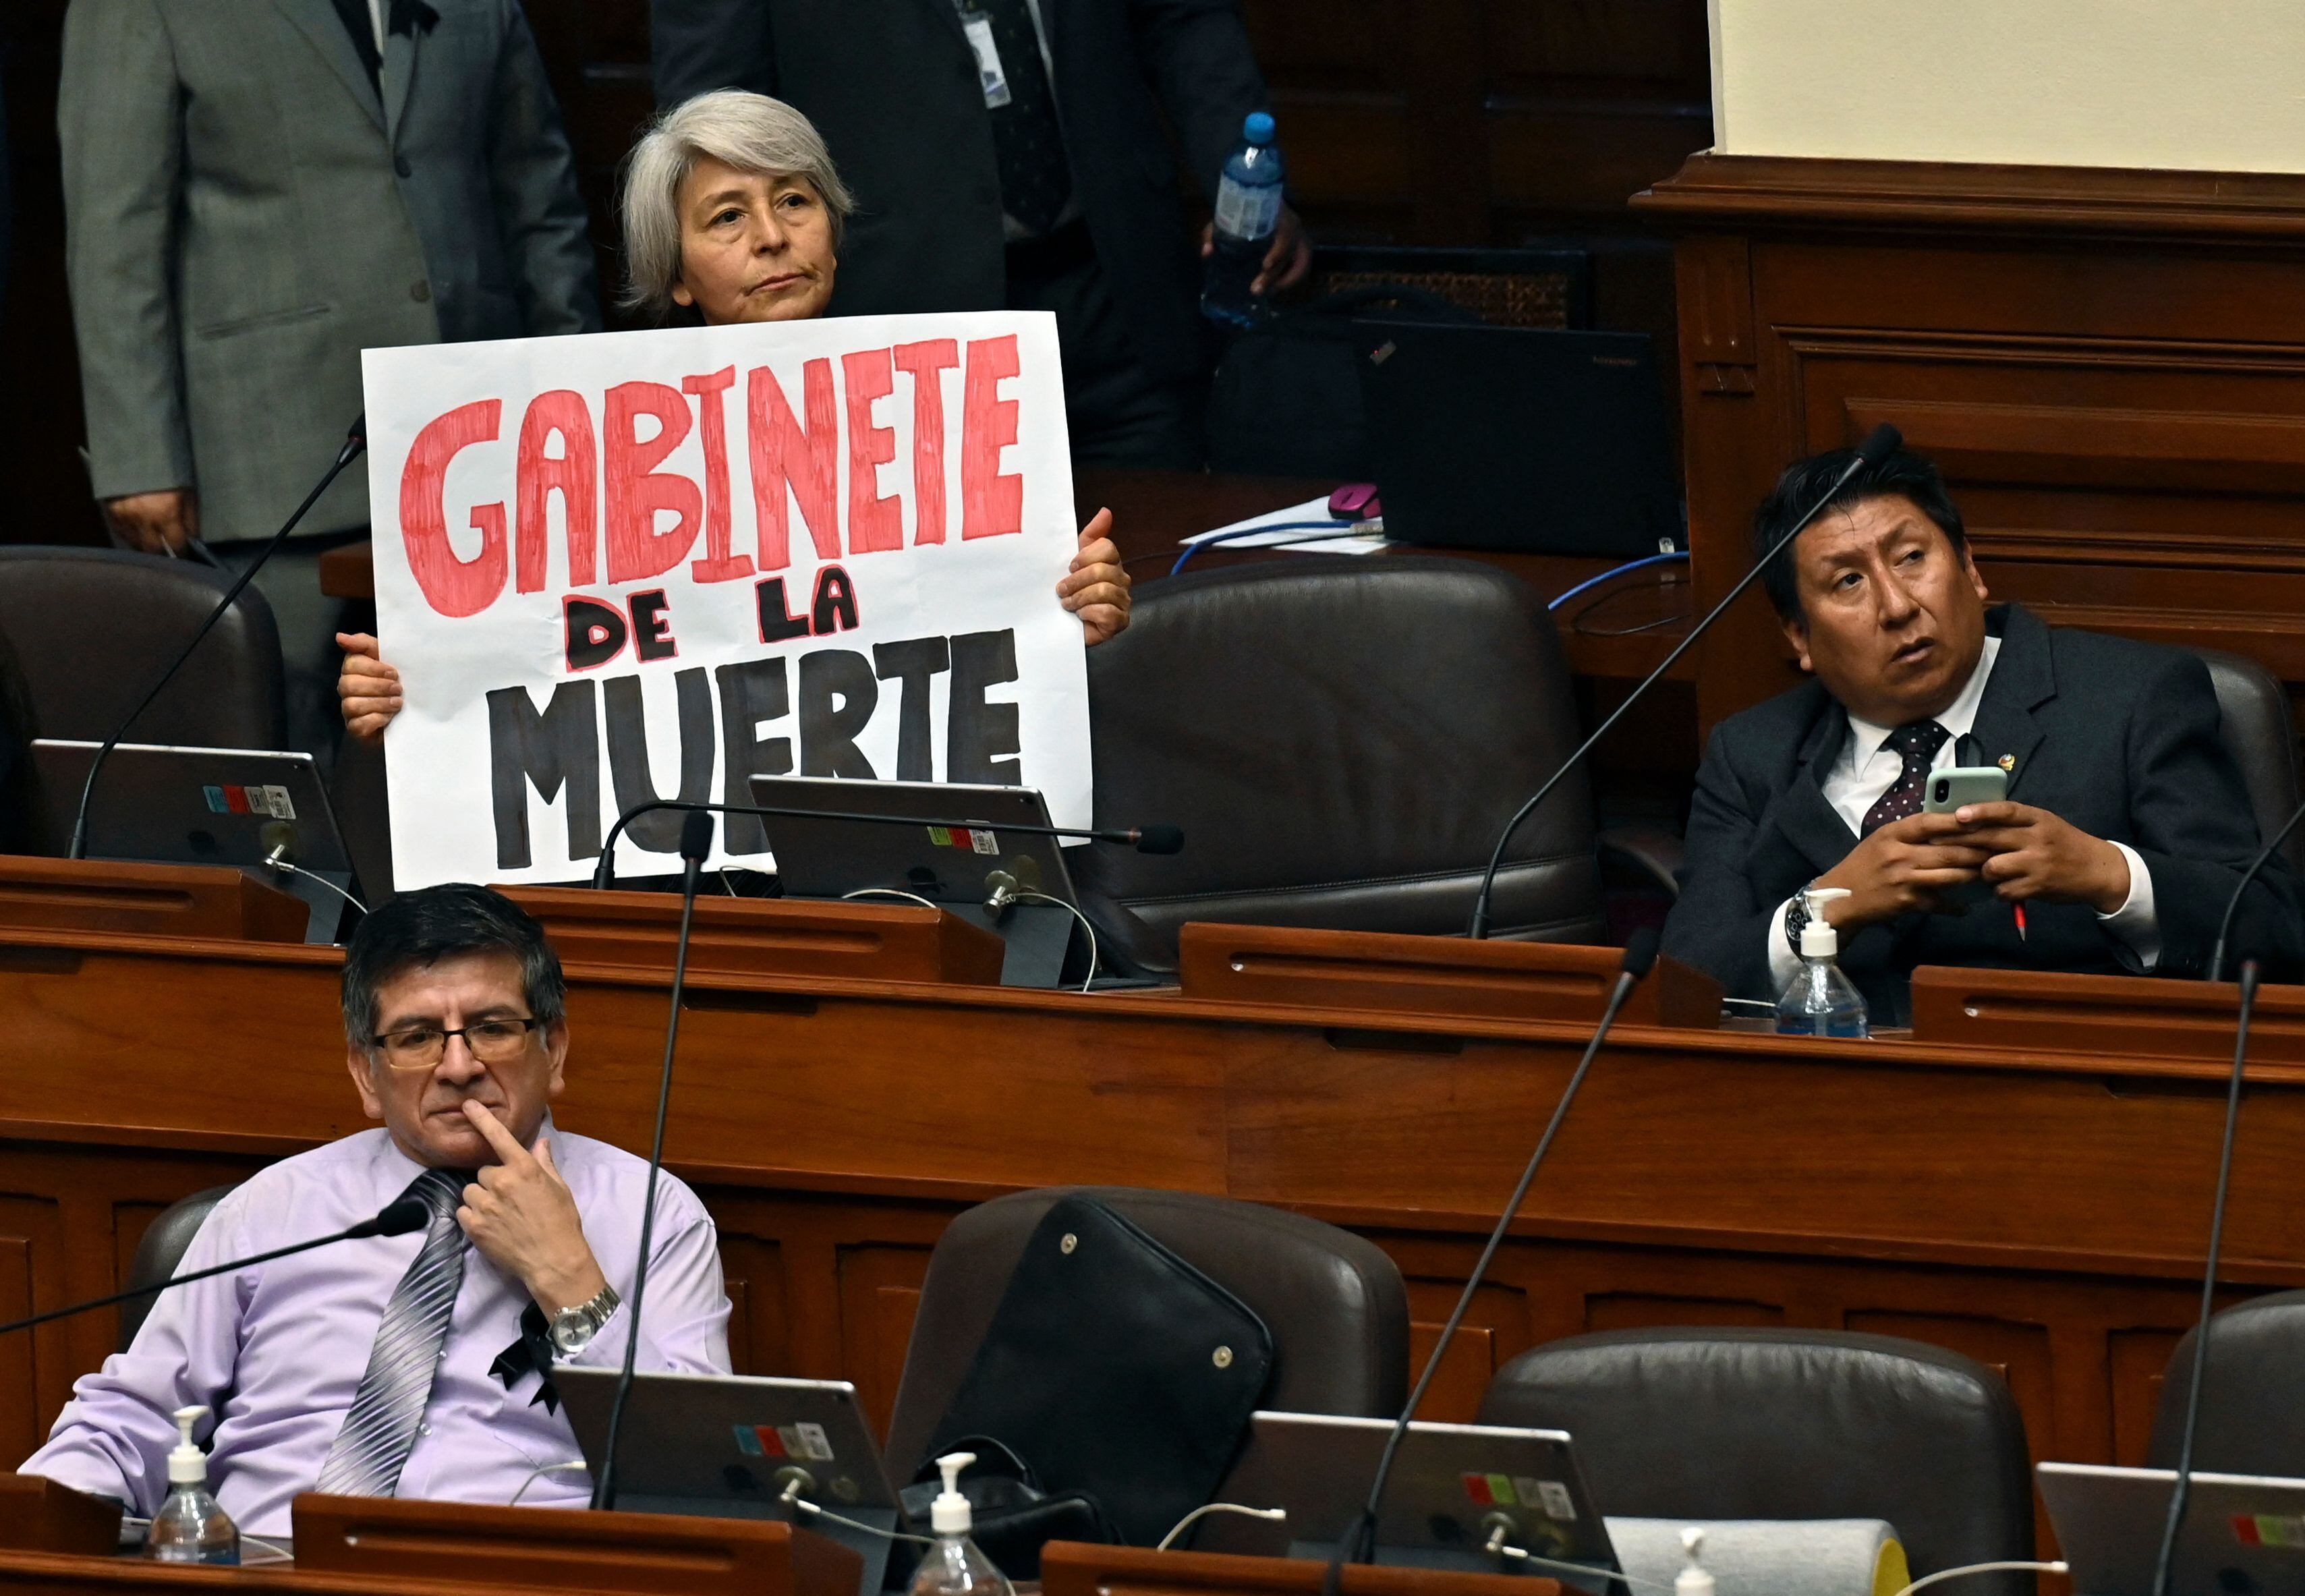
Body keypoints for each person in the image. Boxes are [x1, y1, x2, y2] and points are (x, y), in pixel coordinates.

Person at [337, 91, 1131, 742]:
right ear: (676, 276)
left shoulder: (943, 410)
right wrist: (414, 683)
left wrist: (1080, 608)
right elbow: (528, 652)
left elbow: (1003, 627)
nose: (774, 237)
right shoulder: (600, 453)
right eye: (727, 217)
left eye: (794, 200)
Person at [21, 885, 730, 1533]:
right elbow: (129, 1418)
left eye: (492, 1026)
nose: (458, 1066)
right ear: (366, 1071)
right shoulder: (274, 1209)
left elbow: (705, 1477)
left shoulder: (654, 1214)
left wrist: (570, 1280)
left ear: (555, 1047)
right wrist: (33, 1525)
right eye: (418, 1037)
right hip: (270, 1570)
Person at [57, 0, 600, 762]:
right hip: (268, 456)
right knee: (279, 756)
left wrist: (585, 409)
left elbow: (541, 201)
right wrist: (138, 453)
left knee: (488, 741)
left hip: (484, 449)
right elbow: (113, 236)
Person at [1663, 446, 2305, 1023]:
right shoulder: (1751, 753)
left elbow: (2272, 929)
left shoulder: (2132, 698)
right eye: (1847, 581)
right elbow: (1682, 981)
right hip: (1830, 1102)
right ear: (1799, 636)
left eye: (1911, 557)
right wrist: (1828, 908)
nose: (1896, 605)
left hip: (2069, 1099)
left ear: (1969, 568)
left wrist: (2108, 874)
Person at [650, 0, 1309, 469]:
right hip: (896, 337)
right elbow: (711, 119)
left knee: (1158, 596)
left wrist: (1245, 177)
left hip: (1118, 296)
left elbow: (1183, 16)